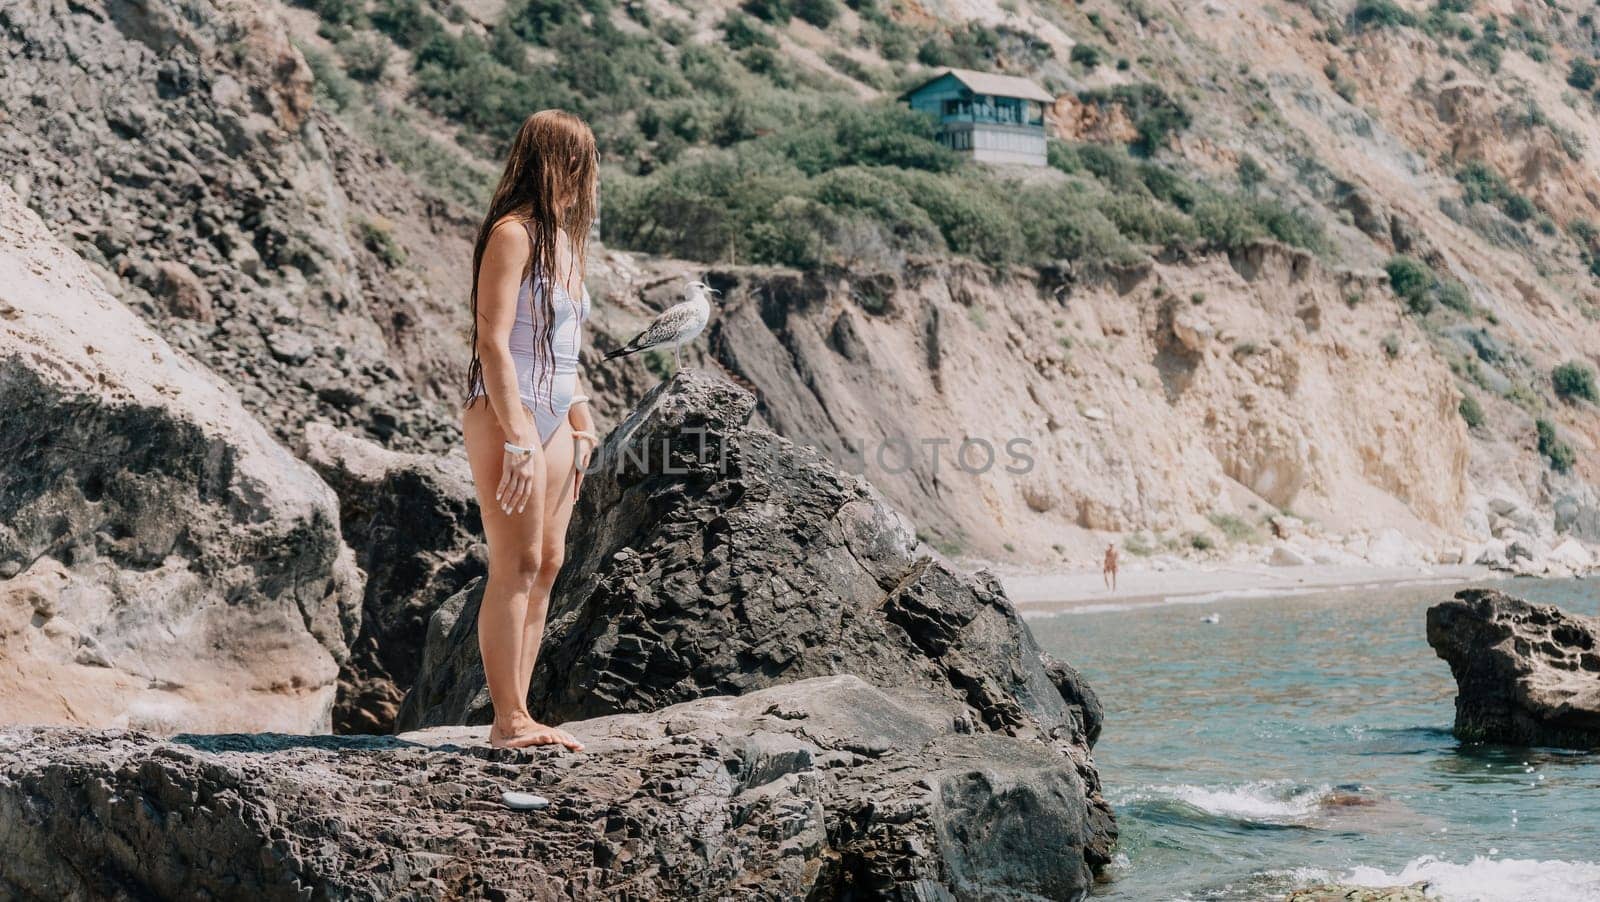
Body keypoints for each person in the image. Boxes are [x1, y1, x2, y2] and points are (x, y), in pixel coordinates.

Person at [461, 110, 599, 750]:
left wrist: (580, 412)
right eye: (580, 162)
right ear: (555, 161)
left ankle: (521, 713)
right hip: (504, 413)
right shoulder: (512, 234)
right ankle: (506, 720)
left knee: (546, 563)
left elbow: (563, 345)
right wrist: (518, 434)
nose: (588, 177)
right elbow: (493, 341)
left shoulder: (563, 242)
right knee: (513, 564)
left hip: (557, 419)